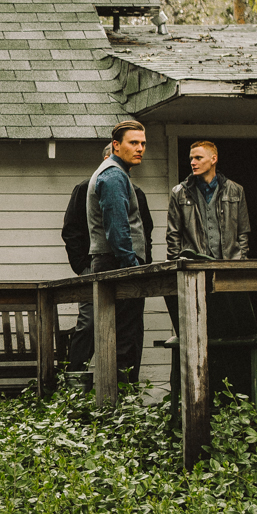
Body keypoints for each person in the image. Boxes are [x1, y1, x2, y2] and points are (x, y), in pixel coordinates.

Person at [168, 140, 257, 397]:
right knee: (199, 335)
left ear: (213, 158)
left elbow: (243, 232)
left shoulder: (235, 191)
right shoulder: (180, 192)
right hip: (196, 273)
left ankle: (238, 393)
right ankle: (203, 394)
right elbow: (173, 237)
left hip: (229, 272)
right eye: (191, 158)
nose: (193, 162)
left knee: (235, 334)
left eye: (198, 157)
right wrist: (178, 268)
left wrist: (239, 263)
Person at [61, 146, 154, 368]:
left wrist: (142, 266)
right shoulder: (85, 188)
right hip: (95, 268)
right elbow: (71, 230)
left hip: (130, 270)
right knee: (89, 324)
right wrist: (84, 267)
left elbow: (144, 232)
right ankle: (76, 381)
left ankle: (127, 383)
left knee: (130, 330)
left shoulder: (136, 192)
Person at [84, 120, 152, 383]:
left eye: (143, 143)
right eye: (133, 143)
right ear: (116, 145)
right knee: (124, 340)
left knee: (122, 336)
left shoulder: (117, 173)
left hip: (115, 263)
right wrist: (132, 267)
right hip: (118, 264)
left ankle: (118, 405)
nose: (140, 149)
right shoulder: (112, 176)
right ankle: (120, 408)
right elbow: (117, 229)